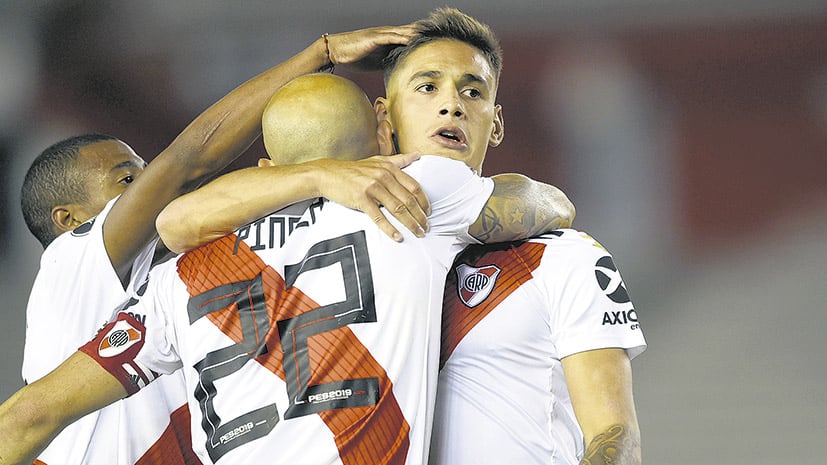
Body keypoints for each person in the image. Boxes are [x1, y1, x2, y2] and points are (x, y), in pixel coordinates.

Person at [0, 30, 574, 465]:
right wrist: (320, 61)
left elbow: (27, 416)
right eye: (129, 182)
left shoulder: (175, 279)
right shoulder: (416, 197)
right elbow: (184, 169)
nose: (143, 200)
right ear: (381, 135)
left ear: (266, 168)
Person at [161, 8, 645, 465]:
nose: (452, 105)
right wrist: (319, 173)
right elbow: (176, 219)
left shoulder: (562, 257)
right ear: (383, 120)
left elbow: (613, 434)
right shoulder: (319, 249)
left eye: (472, 92)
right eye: (427, 87)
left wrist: (553, 203)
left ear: (495, 124)